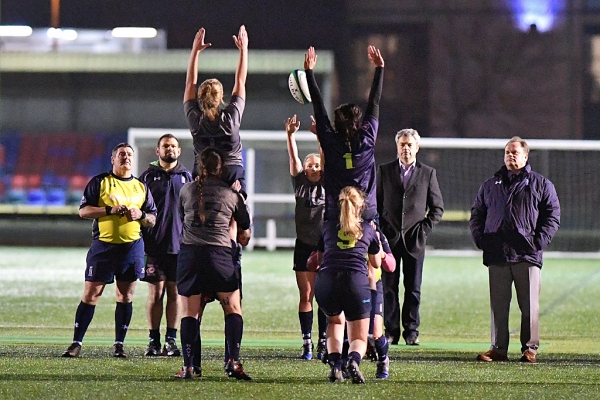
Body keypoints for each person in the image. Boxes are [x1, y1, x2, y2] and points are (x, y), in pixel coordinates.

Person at [62, 143, 157, 358]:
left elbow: (152, 218)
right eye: (121, 154)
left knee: (125, 296)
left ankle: (119, 344)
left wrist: (140, 216)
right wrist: (109, 210)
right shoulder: (100, 182)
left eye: (129, 154)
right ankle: (76, 343)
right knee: (91, 294)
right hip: (103, 247)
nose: (126, 157)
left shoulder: (141, 187)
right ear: (113, 159)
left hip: (132, 248)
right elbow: (83, 211)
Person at [470, 136, 560, 363]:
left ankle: (529, 349)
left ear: (525, 155)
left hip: (526, 254)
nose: (510, 156)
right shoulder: (490, 185)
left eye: (515, 152)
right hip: (497, 254)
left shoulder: (541, 184)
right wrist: (482, 240)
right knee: (498, 307)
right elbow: (477, 215)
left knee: (529, 306)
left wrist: (538, 241)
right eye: (507, 152)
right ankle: (498, 349)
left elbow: (553, 215)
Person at [174, 147, 252, 380]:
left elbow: (183, 220)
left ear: (199, 167)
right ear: (222, 169)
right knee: (232, 308)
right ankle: (233, 362)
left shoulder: (186, 190)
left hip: (190, 257)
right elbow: (244, 236)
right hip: (220, 256)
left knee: (190, 313)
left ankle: (189, 366)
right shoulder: (231, 194)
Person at [376, 128, 444, 346]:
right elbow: (375, 205)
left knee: (413, 289)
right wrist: (382, 231)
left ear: (417, 147)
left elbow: (437, 208)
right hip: (389, 241)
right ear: (397, 146)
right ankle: (392, 331)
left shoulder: (428, 173)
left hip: (415, 241)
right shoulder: (384, 171)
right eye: (402, 144)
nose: (405, 148)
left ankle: (412, 331)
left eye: (409, 144)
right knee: (389, 288)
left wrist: (423, 230)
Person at [304, 44, 383, 222]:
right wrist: (379, 69)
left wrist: (309, 73)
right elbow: (374, 103)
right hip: (366, 214)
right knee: (378, 247)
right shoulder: (367, 139)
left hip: (336, 215)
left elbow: (318, 106)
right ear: (358, 121)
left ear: (336, 123)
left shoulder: (329, 141)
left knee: (325, 249)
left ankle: (322, 250)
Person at [314, 186, 383, 384]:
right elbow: (377, 263)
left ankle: (336, 365)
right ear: (360, 206)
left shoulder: (327, 227)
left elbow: (320, 258)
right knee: (359, 337)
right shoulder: (367, 228)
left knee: (335, 322)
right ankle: (353, 361)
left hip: (327, 281)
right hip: (355, 281)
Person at [139, 134, 193, 357]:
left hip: (180, 245)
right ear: (157, 151)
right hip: (153, 245)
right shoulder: (147, 177)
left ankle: (171, 340)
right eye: (165, 146)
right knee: (155, 293)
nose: (169, 149)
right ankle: (153, 341)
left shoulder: (187, 177)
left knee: (175, 292)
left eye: (173, 146)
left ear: (179, 151)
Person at [183, 25, 248, 195]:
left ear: (200, 98)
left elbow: (190, 83)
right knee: (237, 216)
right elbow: (240, 81)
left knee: (199, 216)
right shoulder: (230, 120)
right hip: (230, 171)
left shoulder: (195, 121)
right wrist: (244, 49)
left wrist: (195, 51)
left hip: (203, 172)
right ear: (221, 98)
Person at [285, 114, 328, 360]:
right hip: (303, 245)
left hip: (323, 246)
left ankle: (323, 341)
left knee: (323, 294)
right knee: (306, 295)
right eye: (309, 164)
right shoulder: (299, 180)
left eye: (316, 165)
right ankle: (307, 342)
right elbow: (293, 157)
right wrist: (290, 135)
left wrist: (319, 136)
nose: (313, 167)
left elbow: (326, 157)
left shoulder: (326, 181)